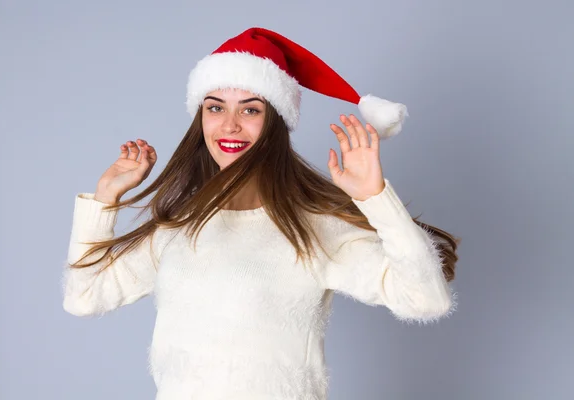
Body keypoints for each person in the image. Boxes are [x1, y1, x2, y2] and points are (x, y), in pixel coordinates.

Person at [62, 27, 460, 399]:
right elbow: (85, 297)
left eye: (250, 110)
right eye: (215, 107)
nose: (229, 125)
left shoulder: (313, 227)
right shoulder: (180, 225)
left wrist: (375, 198)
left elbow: (425, 300)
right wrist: (105, 199)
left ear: (276, 122)